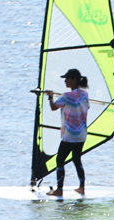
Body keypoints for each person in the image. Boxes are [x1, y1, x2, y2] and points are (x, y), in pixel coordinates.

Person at [44, 68, 90, 197]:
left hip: (70, 136)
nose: (65, 81)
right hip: (81, 134)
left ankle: (59, 189)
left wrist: (51, 96)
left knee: (60, 160)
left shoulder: (66, 96)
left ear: (74, 80)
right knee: (76, 159)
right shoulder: (84, 94)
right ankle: (82, 187)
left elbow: (53, 107)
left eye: (67, 78)